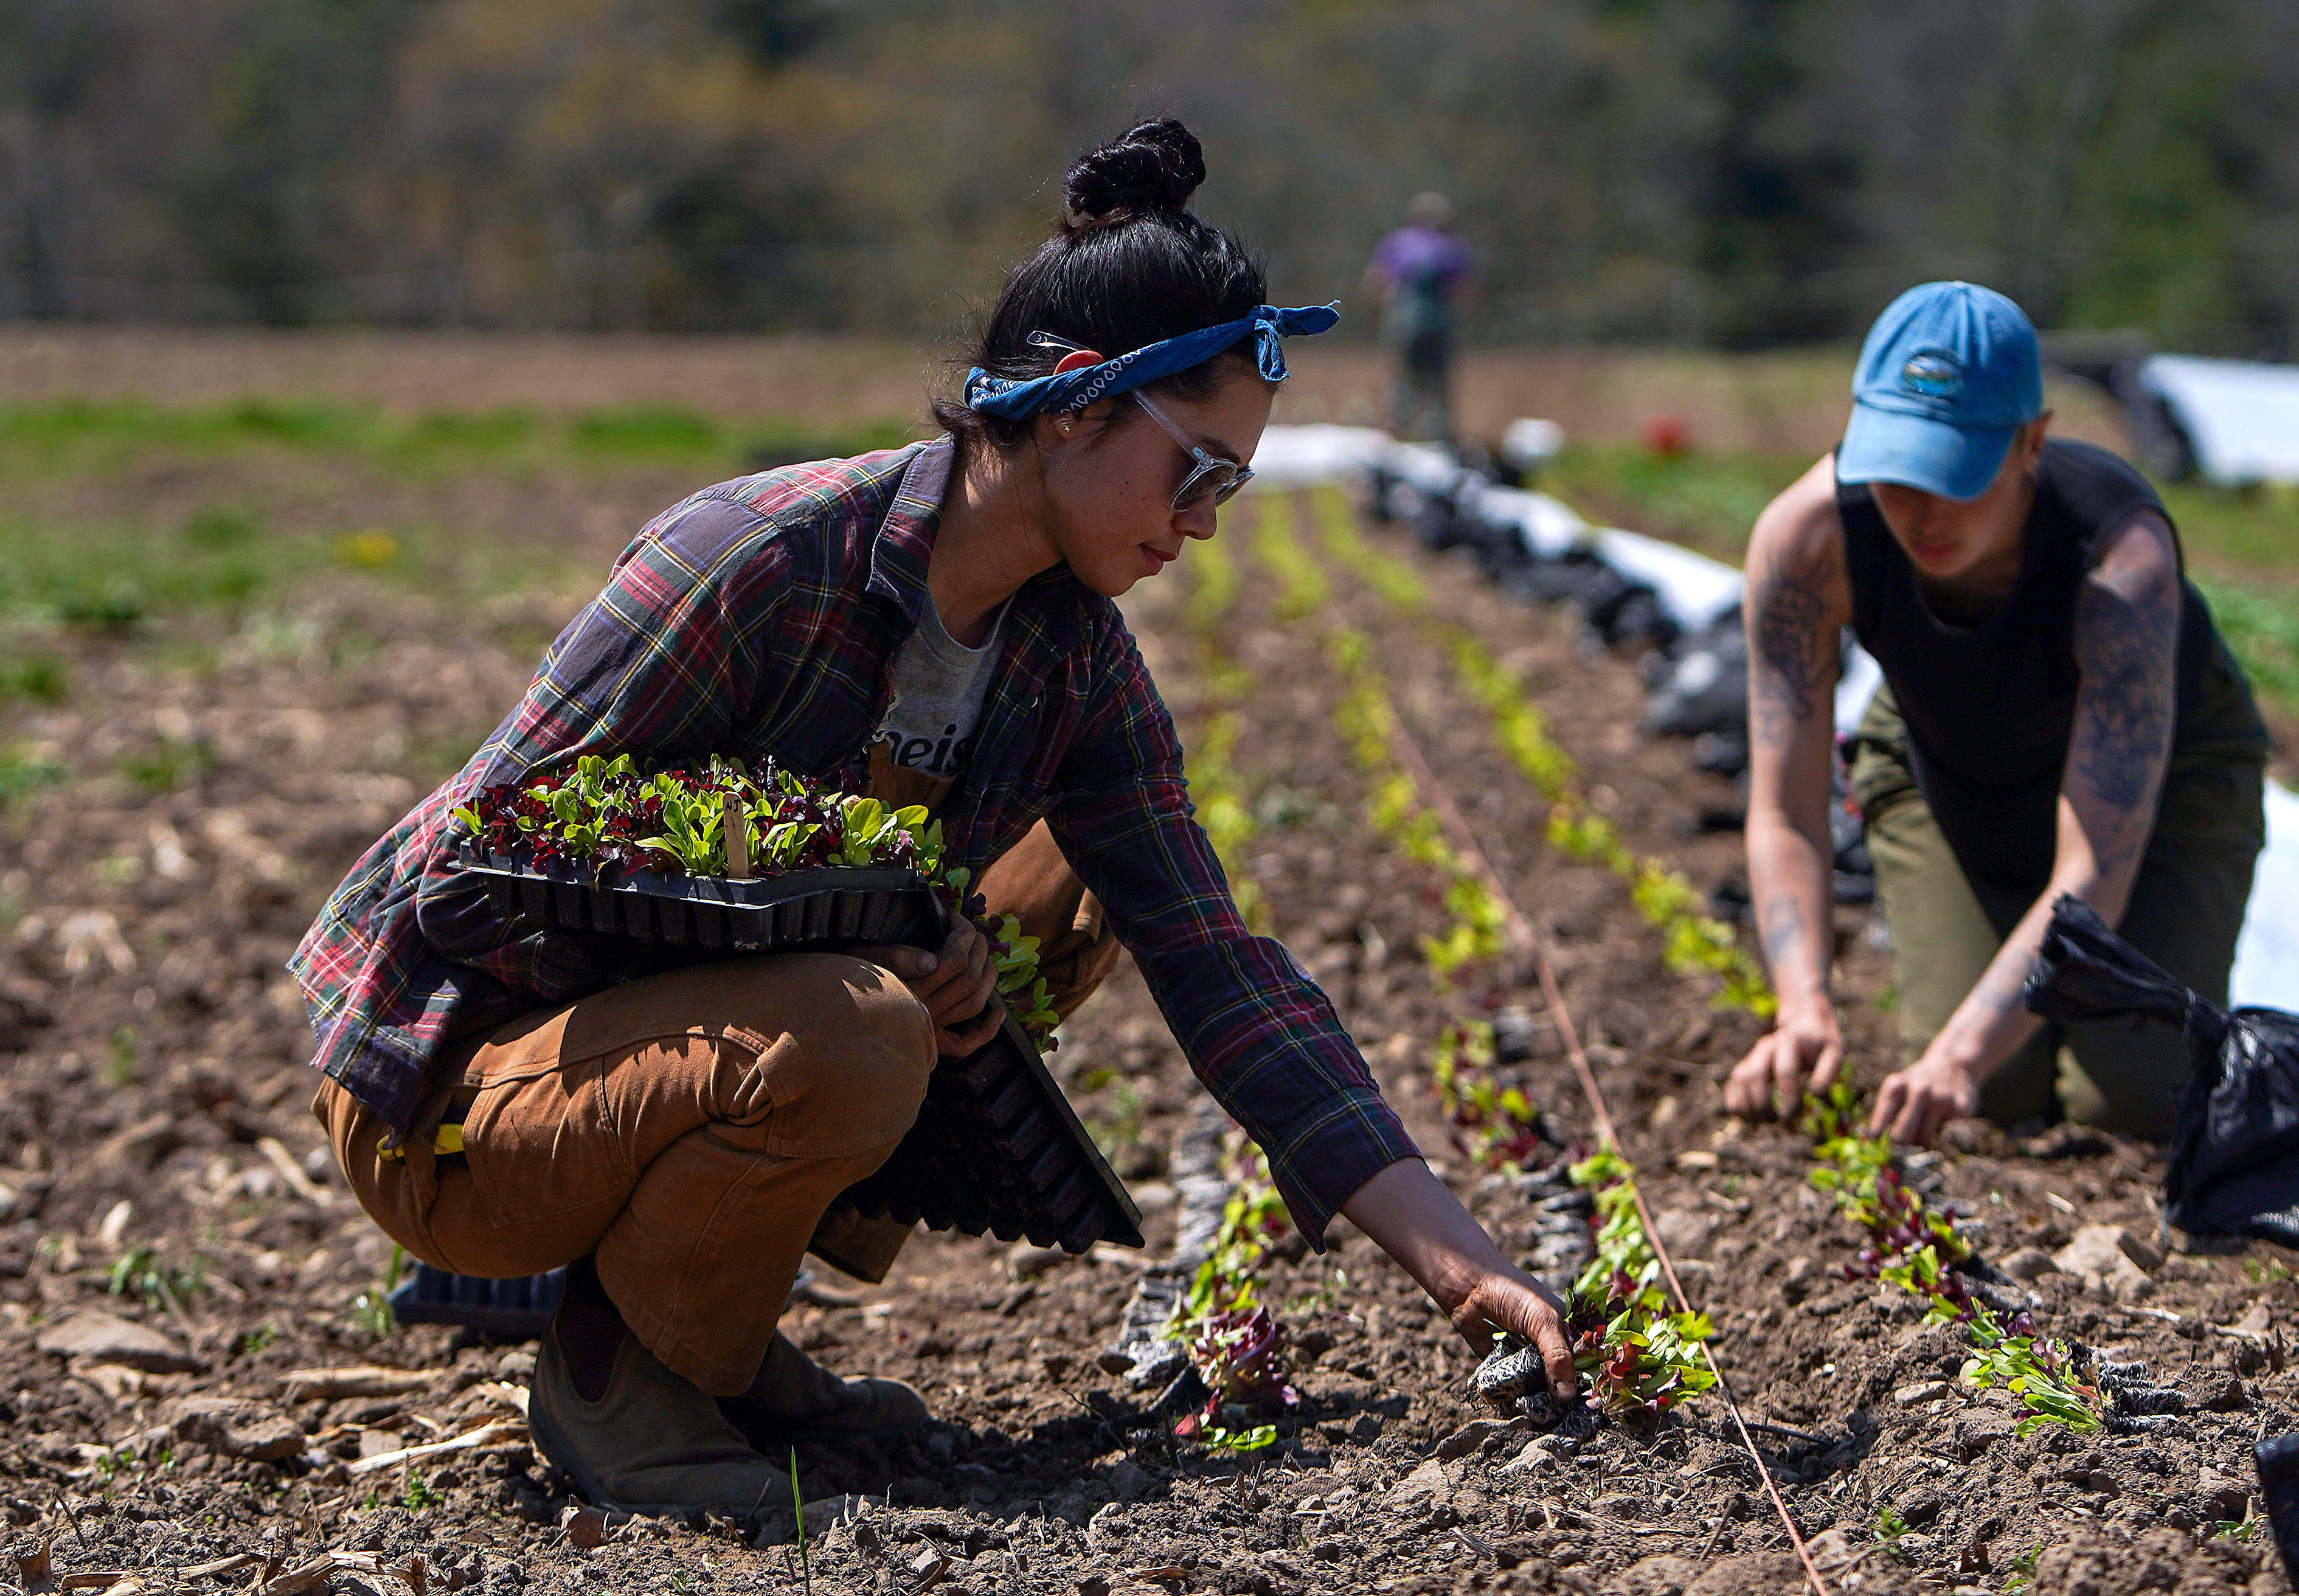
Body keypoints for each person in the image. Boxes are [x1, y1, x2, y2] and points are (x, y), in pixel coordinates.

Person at [290, 119, 1573, 1520]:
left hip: (672, 1054)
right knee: (865, 1009)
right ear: (1077, 404)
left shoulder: (1068, 652)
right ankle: (620, 1377)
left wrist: (1458, 1261)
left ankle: (709, 1330)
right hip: (452, 1093)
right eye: (1195, 472)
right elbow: (482, 864)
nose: (1203, 521)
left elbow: (1216, 962)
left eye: (1235, 488)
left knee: (1053, 901)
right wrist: (850, 907)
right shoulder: (761, 558)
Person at [1724, 281, 2269, 1148]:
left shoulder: (2119, 564)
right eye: (1896, 471)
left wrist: (1961, 1055)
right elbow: (1785, 809)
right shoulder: (1809, 540)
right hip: (1949, 758)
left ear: (2031, 444)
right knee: (1993, 1102)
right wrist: (1805, 1005)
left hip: (2158, 792)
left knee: (2132, 1107)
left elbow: (2100, 857)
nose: (1920, 510)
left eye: (1953, 478)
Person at [1364, 192, 1474, 444]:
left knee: (1402, 379)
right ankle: (1438, 439)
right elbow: (1465, 292)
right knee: (1438, 383)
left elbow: (1376, 283)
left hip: (1404, 318)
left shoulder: (1397, 243)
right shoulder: (1454, 247)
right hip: (1439, 320)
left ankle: (1395, 435)